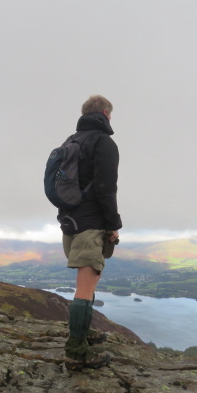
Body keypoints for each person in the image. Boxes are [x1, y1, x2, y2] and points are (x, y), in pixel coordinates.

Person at [59, 95, 122, 370]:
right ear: (106, 114)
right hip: (91, 224)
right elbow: (106, 188)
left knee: (89, 283)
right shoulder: (103, 143)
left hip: (69, 223)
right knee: (85, 288)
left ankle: (83, 334)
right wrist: (113, 225)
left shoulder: (70, 142)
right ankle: (76, 353)